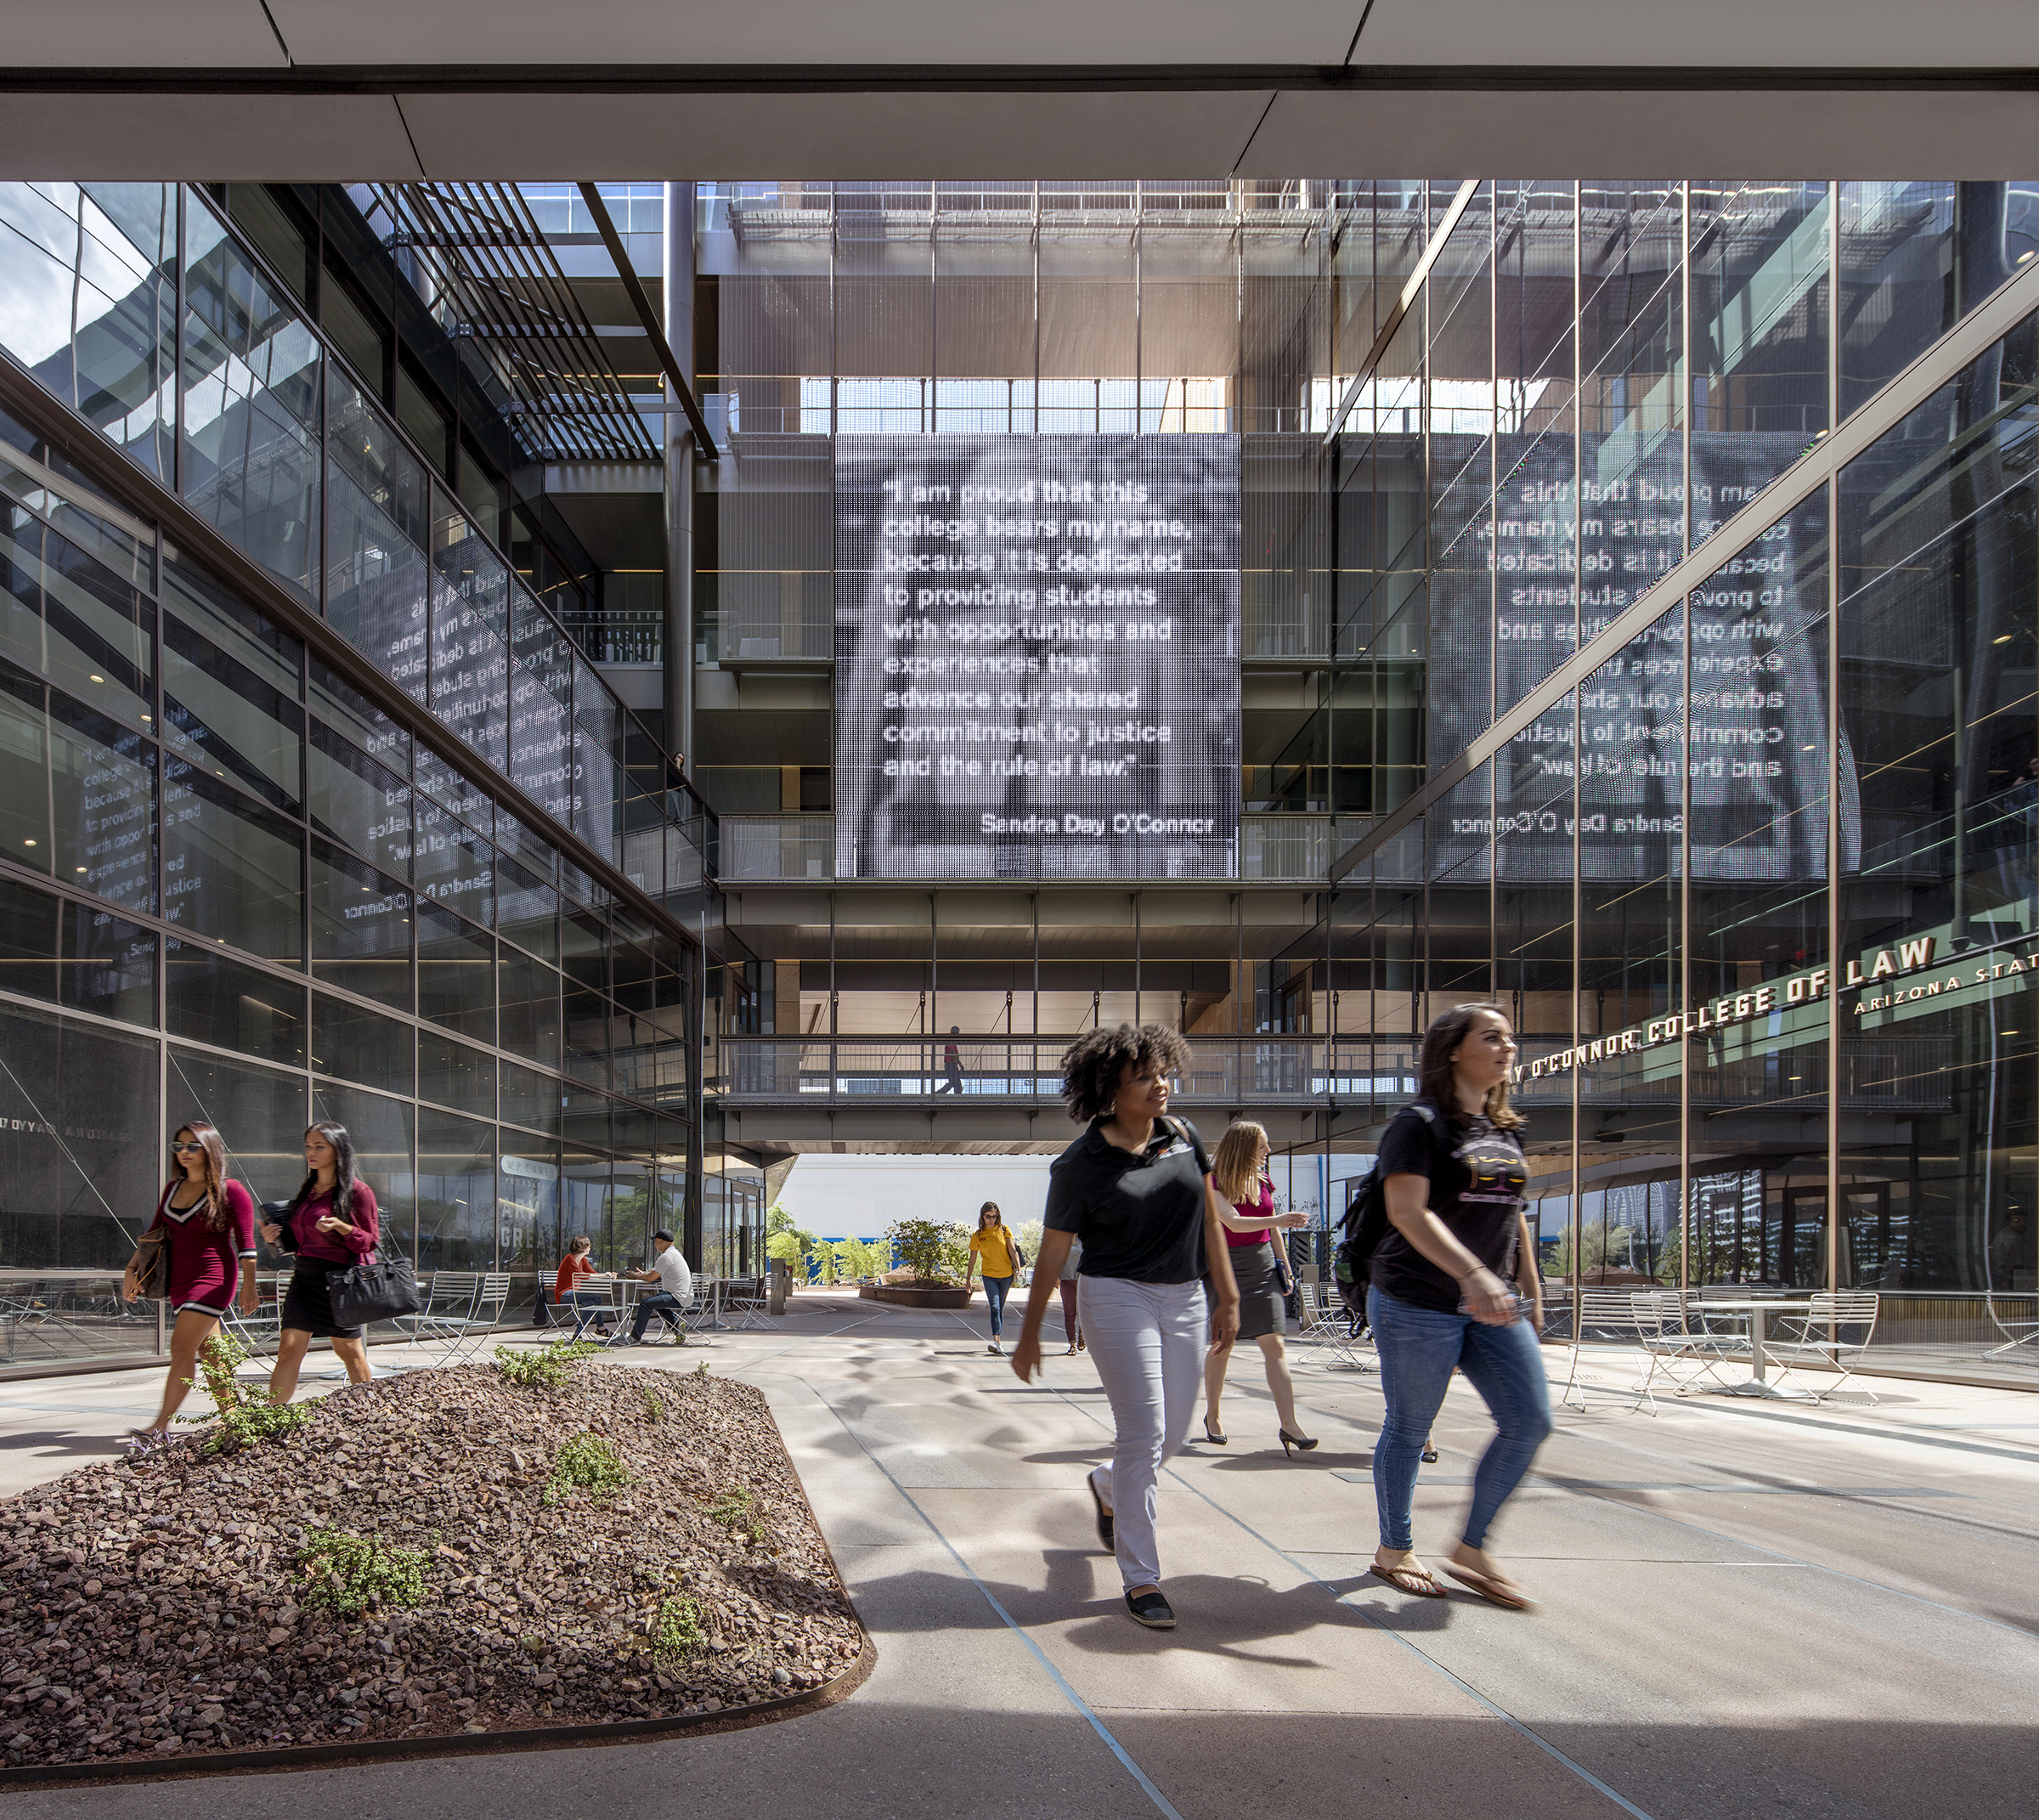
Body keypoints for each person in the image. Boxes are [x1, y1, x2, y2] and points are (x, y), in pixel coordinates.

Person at [1011, 1024, 1241, 1632]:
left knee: (1172, 1438)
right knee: (1144, 1432)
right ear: (1109, 1088)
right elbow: (1054, 1255)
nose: (1160, 1084)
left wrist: (1229, 1293)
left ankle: (1108, 1485)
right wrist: (1032, 1331)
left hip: (1187, 1295)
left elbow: (1211, 1219)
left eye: (1163, 1072)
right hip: (1117, 1296)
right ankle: (1142, 1579)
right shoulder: (1080, 1165)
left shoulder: (1184, 1135)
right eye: (1144, 1076)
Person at [1367, 1003, 1550, 1609]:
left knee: (1530, 1420)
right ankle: (1394, 1549)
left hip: (1492, 1302)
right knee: (1411, 1428)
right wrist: (1472, 1274)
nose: (1508, 1048)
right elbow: (1406, 1213)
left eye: (1510, 1039)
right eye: (1491, 1037)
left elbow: (1510, 1215)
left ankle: (1472, 1546)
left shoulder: (1506, 1128)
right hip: (1417, 1300)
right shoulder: (1417, 1125)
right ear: (1453, 1050)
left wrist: (1528, 1281)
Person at [124, 1121, 258, 1451]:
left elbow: (247, 1244)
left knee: (181, 1349)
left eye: (192, 1146)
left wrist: (249, 1286)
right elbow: (153, 1236)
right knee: (210, 1353)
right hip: (180, 1281)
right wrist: (131, 1270)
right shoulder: (172, 1189)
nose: (184, 1152)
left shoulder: (231, 1191)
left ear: (209, 1149)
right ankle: (234, 1419)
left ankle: (159, 1427)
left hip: (214, 1278)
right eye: (179, 1146)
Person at [1200, 1122, 1315, 1455]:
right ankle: (1214, 1415)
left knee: (1275, 1345)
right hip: (1225, 1265)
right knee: (1223, 1343)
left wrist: (1286, 1266)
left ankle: (1290, 1425)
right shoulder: (1212, 1181)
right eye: (1263, 1146)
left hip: (1263, 1264)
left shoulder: (1263, 1179)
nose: (1268, 1151)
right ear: (1245, 1148)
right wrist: (1279, 1221)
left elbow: (1273, 1227)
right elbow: (1233, 1222)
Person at [261, 1122, 380, 1404]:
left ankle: (371, 1412)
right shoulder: (308, 1191)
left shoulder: (358, 1192)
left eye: (319, 1146)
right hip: (303, 1279)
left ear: (337, 1151)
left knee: (350, 1352)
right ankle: (271, 1418)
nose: (310, 1153)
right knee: (288, 1350)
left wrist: (341, 1226)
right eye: (307, 1146)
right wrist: (272, 1237)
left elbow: (370, 1241)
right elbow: (298, 1240)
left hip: (338, 1281)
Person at [963, 1202, 1018, 1354]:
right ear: (982, 1216)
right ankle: (997, 1341)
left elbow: (1013, 1250)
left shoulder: (1004, 1230)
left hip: (1006, 1275)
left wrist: (1019, 1269)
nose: (991, 1220)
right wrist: (968, 1279)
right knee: (995, 1308)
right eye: (988, 1217)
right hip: (989, 1276)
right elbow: (973, 1258)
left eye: (994, 1217)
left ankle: (998, 1340)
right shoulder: (978, 1235)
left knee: (1000, 1308)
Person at [629, 1230, 693, 1344]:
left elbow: (651, 1278)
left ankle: (635, 1337)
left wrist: (635, 1276)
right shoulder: (675, 1254)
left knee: (646, 1303)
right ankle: (677, 1326)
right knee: (657, 1302)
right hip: (684, 1296)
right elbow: (656, 1275)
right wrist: (643, 1275)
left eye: (655, 1242)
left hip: (677, 1297)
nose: (655, 1245)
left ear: (660, 1241)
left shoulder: (666, 1257)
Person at [554, 1236, 614, 1340]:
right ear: (584, 1247)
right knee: (596, 1296)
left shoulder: (583, 1260)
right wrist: (604, 1275)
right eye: (589, 1245)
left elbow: (592, 1273)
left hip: (574, 1293)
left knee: (591, 1304)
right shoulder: (569, 1258)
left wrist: (608, 1275)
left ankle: (577, 1335)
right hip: (563, 1294)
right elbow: (580, 1275)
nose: (590, 1247)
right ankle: (601, 1327)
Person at [1057, 1234, 1085, 1354]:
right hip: (1067, 1279)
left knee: (1083, 1313)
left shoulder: (1087, 1237)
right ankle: (1072, 1344)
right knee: (1069, 1313)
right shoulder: (1063, 1238)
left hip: (1084, 1280)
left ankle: (1082, 1335)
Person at [938, 1026, 964, 1094]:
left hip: (950, 1064)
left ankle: (942, 1092)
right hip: (951, 1064)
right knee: (955, 1081)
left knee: (954, 1081)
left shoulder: (950, 1041)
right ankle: (942, 1092)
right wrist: (960, 1064)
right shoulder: (951, 1041)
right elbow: (952, 1053)